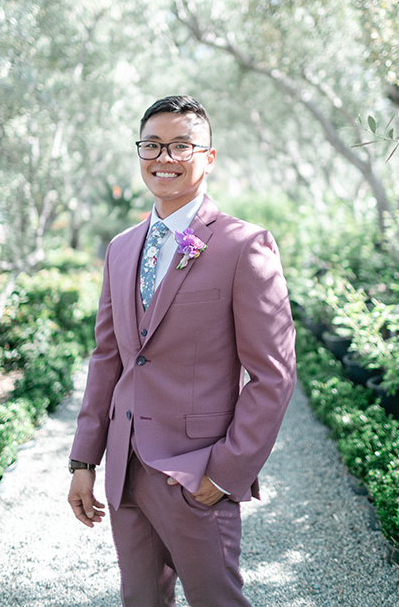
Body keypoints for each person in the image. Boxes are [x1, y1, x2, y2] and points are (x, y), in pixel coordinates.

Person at [68, 95, 296, 607]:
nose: (163, 158)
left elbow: (274, 375)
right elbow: (109, 357)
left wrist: (224, 473)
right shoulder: (122, 247)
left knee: (217, 600)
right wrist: (83, 459)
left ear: (208, 157)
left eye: (180, 146)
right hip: (125, 470)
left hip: (197, 475)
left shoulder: (244, 245)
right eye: (152, 145)